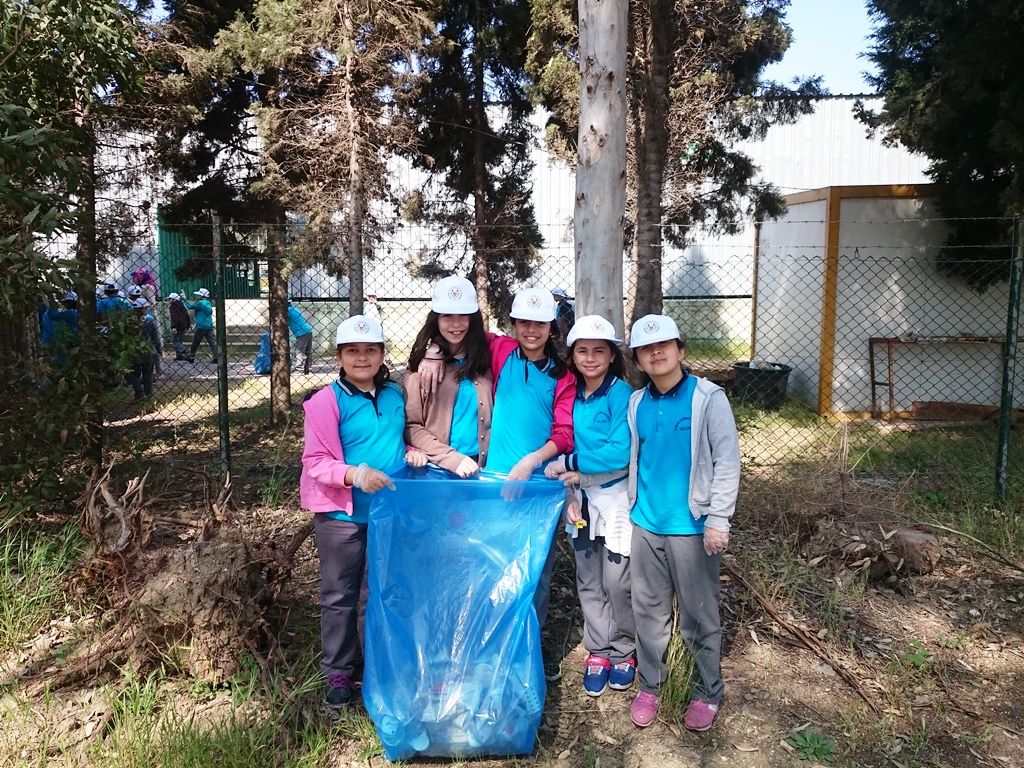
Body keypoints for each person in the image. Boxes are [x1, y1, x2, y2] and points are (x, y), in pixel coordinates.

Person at [418, 286, 575, 680]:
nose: (531, 331)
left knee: (534, 569)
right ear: (513, 325)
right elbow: (457, 331)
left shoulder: (562, 375)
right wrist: (433, 354)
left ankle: (527, 648)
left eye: (540, 323)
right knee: (486, 565)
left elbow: (565, 432)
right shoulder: (501, 351)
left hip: (538, 487)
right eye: (523, 322)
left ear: (552, 328)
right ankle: (482, 644)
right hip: (491, 484)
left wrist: (532, 461)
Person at [300, 315, 426, 711]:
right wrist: (355, 474)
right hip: (341, 518)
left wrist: (411, 454)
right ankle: (338, 670)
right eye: (352, 351)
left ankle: (376, 662)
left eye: (370, 350)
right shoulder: (325, 402)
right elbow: (316, 462)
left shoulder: (392, 395)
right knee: (340, 594)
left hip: (387, 515)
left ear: (382, 354)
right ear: (339, 356)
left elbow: (392, 442)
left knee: (381, 591)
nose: (362, 358)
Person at [624, 314, 740, 733]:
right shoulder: (637, 403)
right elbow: (634, 458)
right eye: (646, 348)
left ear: (680, 350)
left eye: (664, 345)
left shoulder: (708, 398)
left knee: (698, 612)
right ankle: (651, 685)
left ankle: (706, 691)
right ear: (637, 359)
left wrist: (718, 519)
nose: (656, 353)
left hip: (692, 526)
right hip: (646, 522)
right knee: (649, 610)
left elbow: (727, 461)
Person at [544, 315, 635, 698]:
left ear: (612, 356)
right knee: (588, 578)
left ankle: (625, 650)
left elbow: (620, 452)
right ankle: (598, 650)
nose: (591, 358)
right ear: (573, 355)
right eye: (583, 350)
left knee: (617, 580)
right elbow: (563, 438)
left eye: (600, 350)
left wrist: (571, 464)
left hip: (614, 499)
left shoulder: (620, 393)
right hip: (579, 499)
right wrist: (571, 488)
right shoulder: (570, 393)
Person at [404, 276, 493, 477]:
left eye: (463, 315)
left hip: (482, 469)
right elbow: (411, 426)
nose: (456, 324)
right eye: (447, 316)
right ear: (436, 319)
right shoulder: (420, 370)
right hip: (438, 471)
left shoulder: (488, 360)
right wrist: (451, 459)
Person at [128, 297, 162, 400]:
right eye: (146, 307)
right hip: (149, 350)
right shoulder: (150, 320)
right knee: (148, 374)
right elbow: (155, 337)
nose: (147, 309)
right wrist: (159, 350)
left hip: (134, 350)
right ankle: (148, 394)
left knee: (133, 374)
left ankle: (139, 392)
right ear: (143, 309)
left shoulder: (129, 321)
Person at [184, 287, 218, 363]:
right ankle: (216, 357)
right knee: (212, 342)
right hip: (209, 325)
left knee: (195, 341)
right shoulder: (208, 303)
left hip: (201, 325)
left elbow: (190, 307)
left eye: (199, 295)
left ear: (202, 296)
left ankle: (191, 356)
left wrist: (185, 299)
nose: (198, 296)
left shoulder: (200, 303)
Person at [288, 299, 314, 375]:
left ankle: (299, 368)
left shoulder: (287, 310)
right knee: (308, 351)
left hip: (301, 332)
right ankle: (308, 368)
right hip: (308, 330)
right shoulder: (294, 308)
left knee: (299, 350)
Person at [167, 292, 193, 362]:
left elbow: (174, 317)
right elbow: (186, 315)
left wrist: (174, 326)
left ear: (174, 299)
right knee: (180, 340)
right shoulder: (182, 305)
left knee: (174, 340)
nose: (168, 300)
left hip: (177, 325)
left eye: (170, 299)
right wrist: (188, 324)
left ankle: (183, 350)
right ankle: (179, 355)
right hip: (183, 325)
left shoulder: (172, 306)